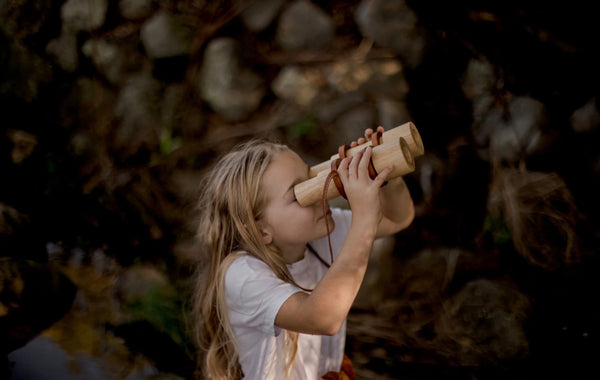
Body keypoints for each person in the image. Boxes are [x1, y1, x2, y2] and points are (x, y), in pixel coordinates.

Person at [192, 127, 415, 380]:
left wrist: (384, 174)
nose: (321, 195)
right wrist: (363, 219)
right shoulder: (241, 274)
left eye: (314, 180)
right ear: (261, 229)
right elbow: (322, 318)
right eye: (300, 194)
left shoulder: (315, 234)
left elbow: (398, 219)